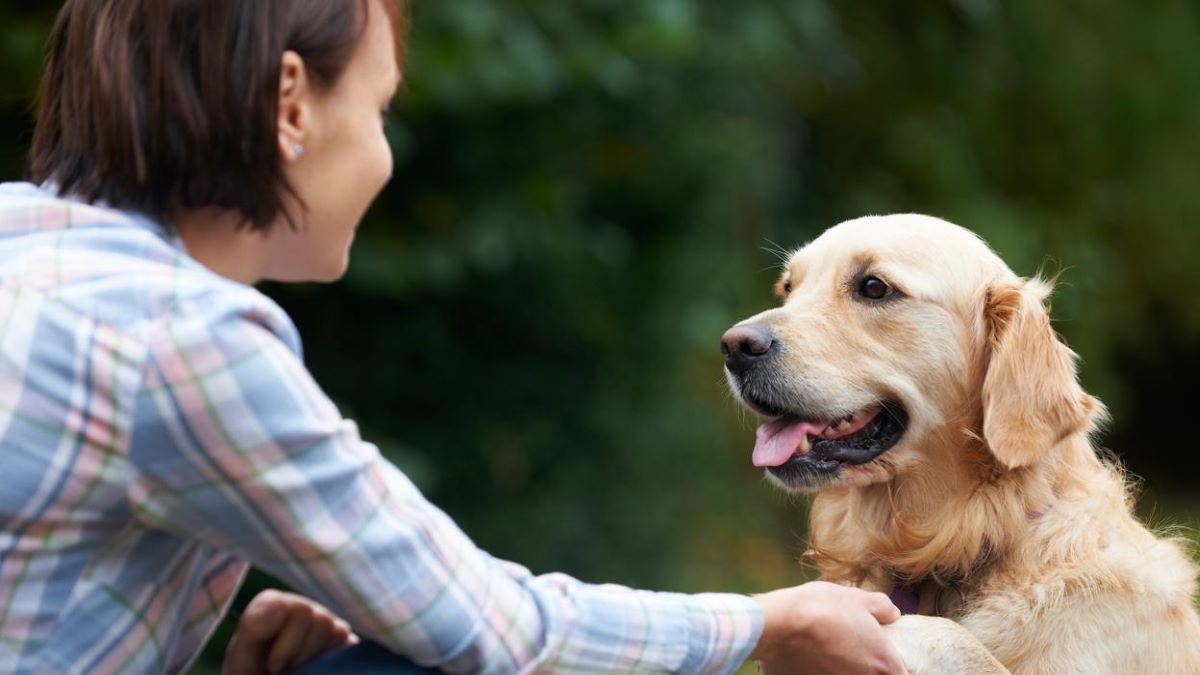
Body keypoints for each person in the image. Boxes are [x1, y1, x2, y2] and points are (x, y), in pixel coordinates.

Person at [0, 1, 906, 673]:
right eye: (380, 108)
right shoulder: (187, 342)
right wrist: (768, 621)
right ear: (291, 104)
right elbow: (490, 626)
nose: (384, 155)